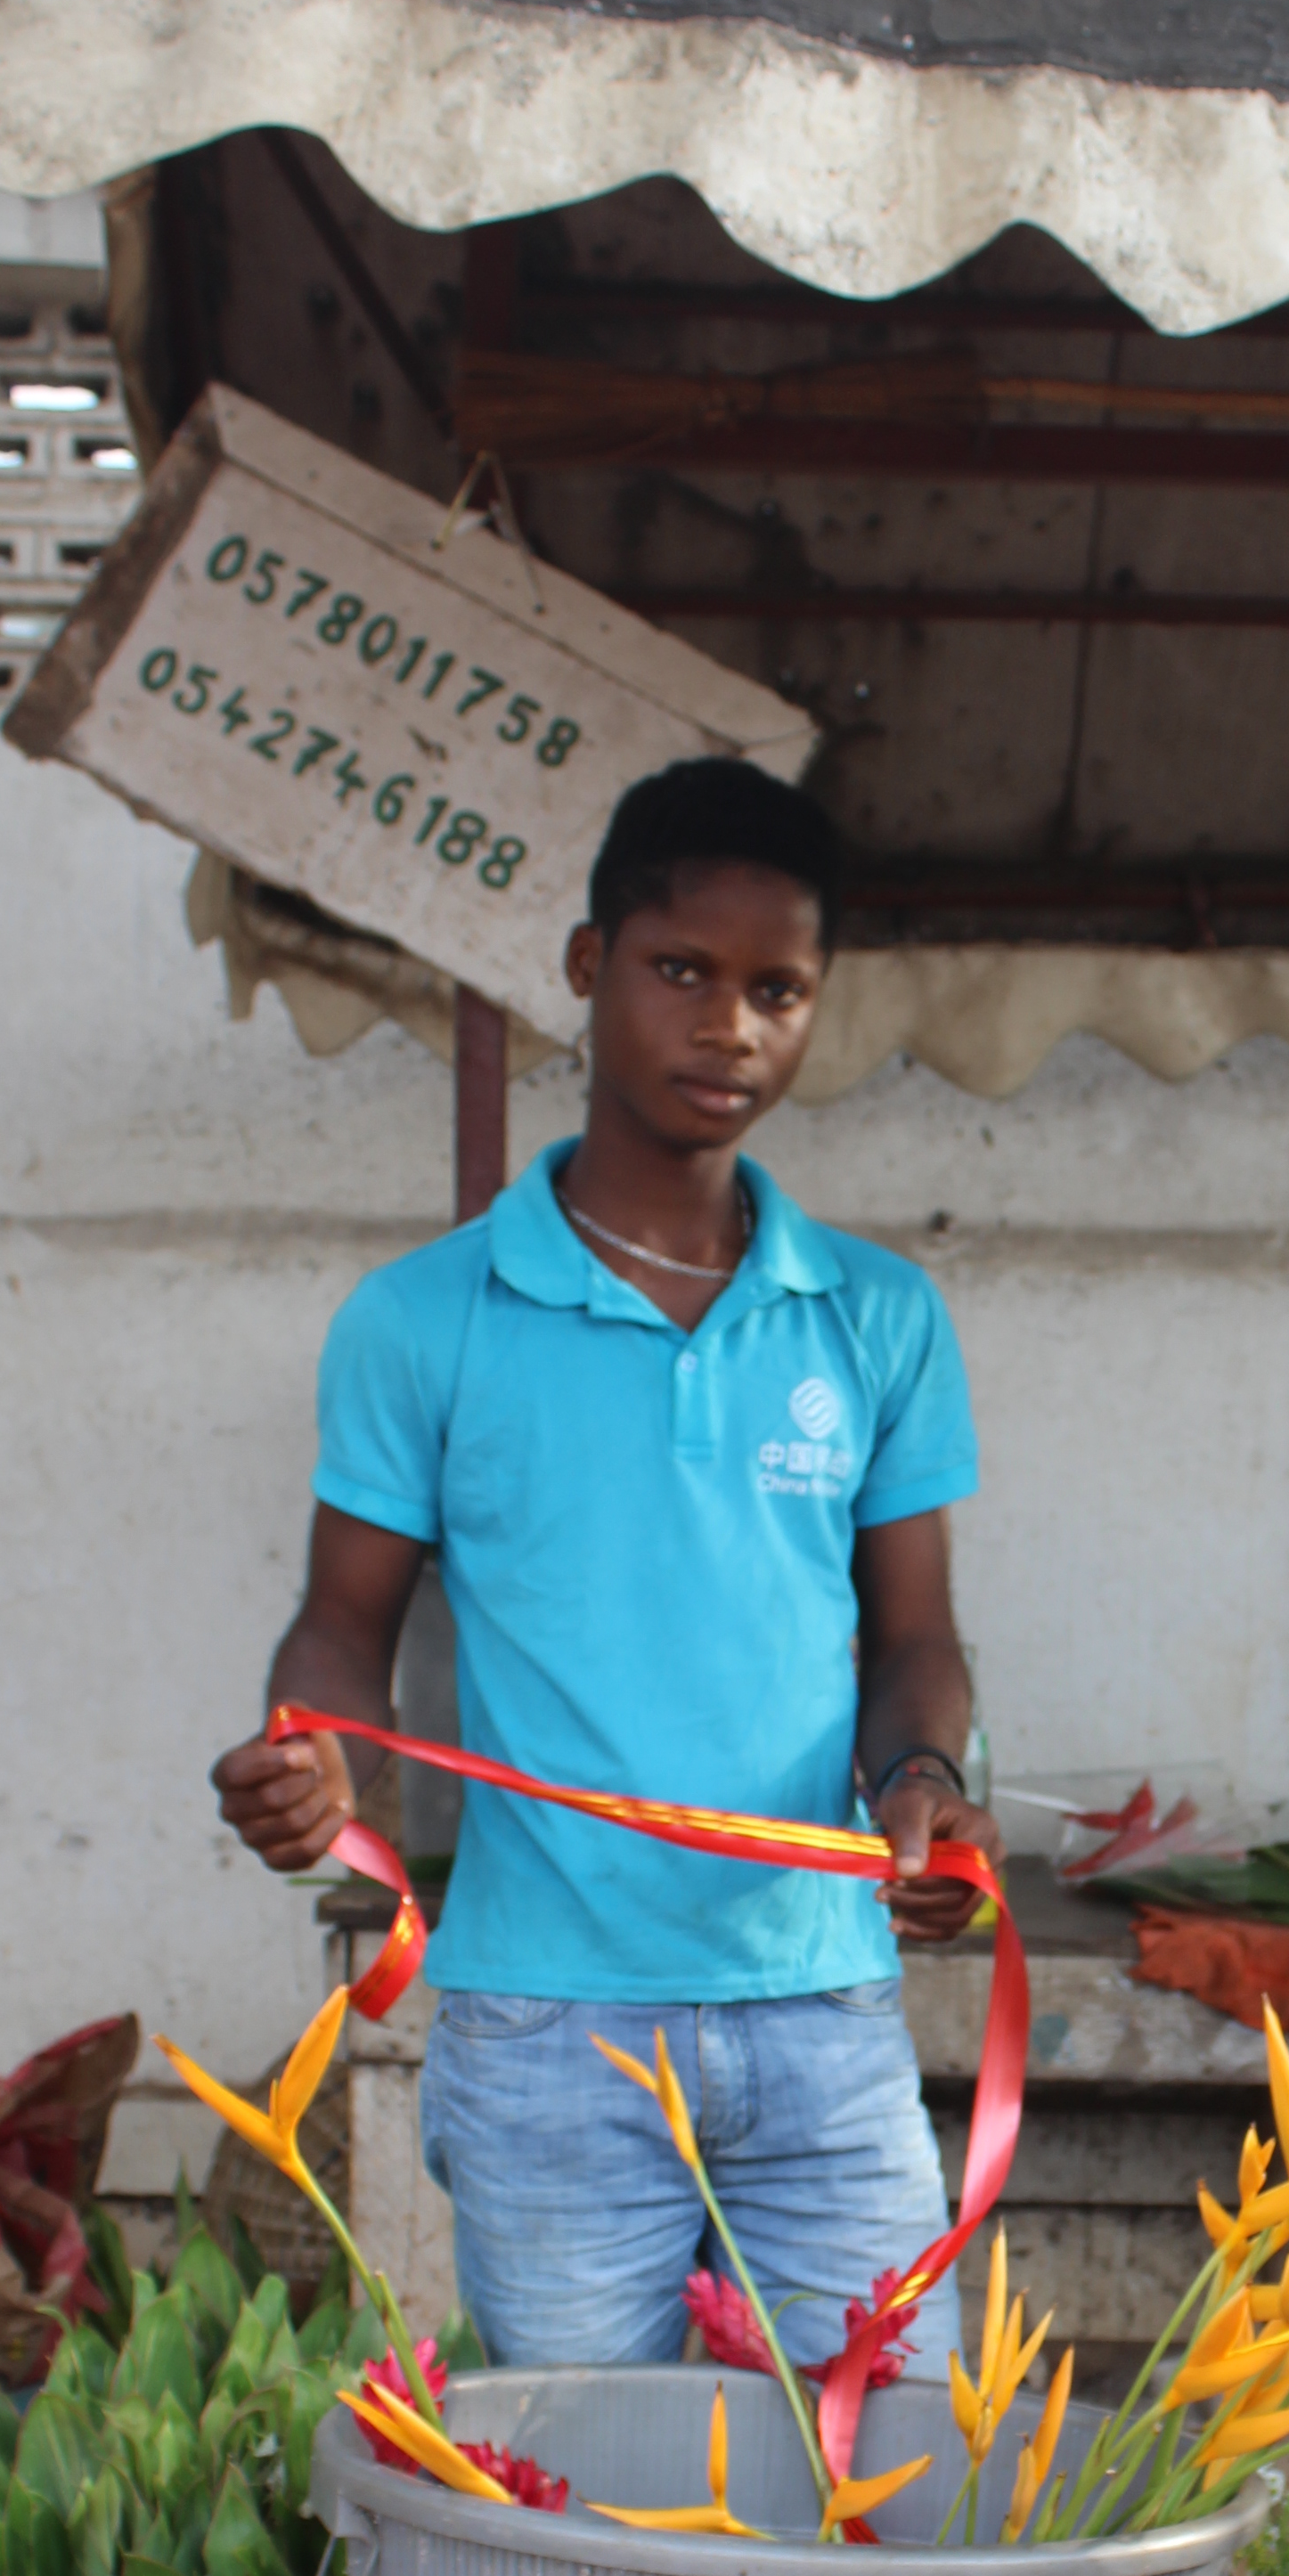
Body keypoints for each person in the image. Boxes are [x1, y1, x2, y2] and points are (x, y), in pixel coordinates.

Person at [212, 756, 995, 2379]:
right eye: (682, 973)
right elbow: (341, 1627)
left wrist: (923, 1774)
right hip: (545, 2030)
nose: (730, 1027)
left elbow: (912, 1639)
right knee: (587, 2525)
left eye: (777, 989)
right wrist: (317, 1763)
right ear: (587, 970)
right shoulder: (426, 1321)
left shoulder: (877, 1317)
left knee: (895, 2482)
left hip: (823, 2014)